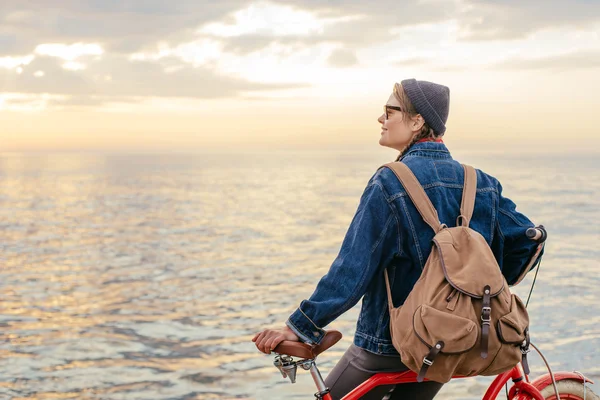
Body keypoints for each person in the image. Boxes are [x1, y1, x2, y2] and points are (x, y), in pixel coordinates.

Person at [252, 79, 543, 399]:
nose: (381, 119)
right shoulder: (482, 182)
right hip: (450, 342)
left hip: (388, 345)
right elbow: (528, 240)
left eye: (390, 111)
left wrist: (300, 327)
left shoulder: (390, 181)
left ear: (417, 121)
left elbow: (352, 268)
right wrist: (477, 282)